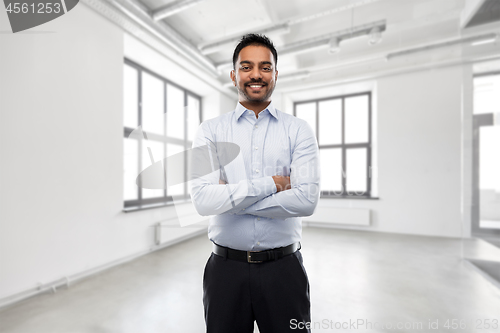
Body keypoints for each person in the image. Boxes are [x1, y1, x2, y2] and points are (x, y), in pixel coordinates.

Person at [190, 33, 320, 333]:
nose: (256, 74)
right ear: (234, 74)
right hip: (224, 272)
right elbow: (203, 201)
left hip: (284, 271)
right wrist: (273, 184)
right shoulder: (210, 131)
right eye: (246, 67)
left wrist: (230, 198)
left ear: (275, 74)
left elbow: (306, 200)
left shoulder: (298, 130)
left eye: (265, 66)